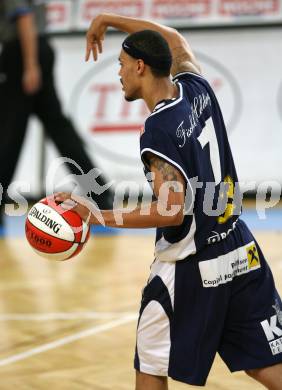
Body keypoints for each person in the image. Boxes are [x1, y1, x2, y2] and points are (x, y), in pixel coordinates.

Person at [54, 13, 282, 390]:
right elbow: (174, 37)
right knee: (266, 365)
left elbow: (171, 211)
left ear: (141, 67)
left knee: (150, 362)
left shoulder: (158, 131)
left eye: (122, 65)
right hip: (240, 249)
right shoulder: (196, 87)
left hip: (190, 265)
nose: (119, 74)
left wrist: (96, 215)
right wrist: (108, 19)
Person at [0, 1, 113, 226]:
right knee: (60, 129)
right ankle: (99, 192)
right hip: (35, 48)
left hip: (23, 52)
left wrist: (30, 66)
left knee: (8, 134)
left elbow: (25, 19)